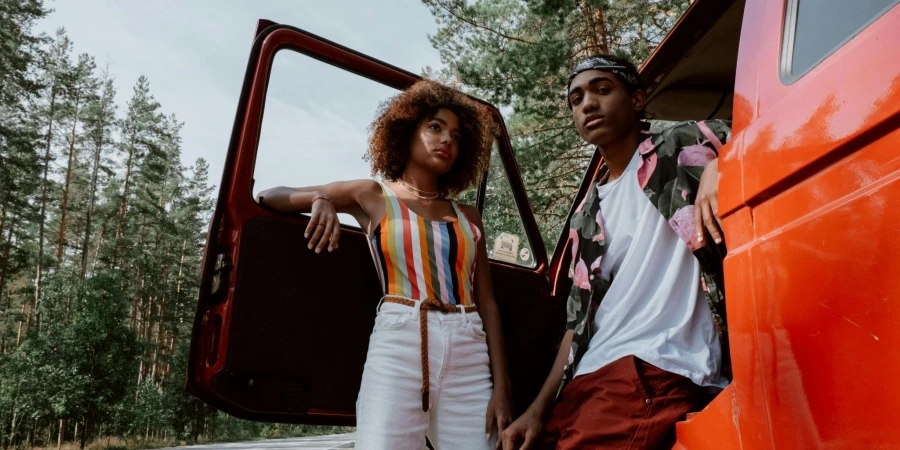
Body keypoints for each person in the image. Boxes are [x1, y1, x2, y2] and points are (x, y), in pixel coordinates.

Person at [256, 80, 511, 450]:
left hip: (469, 351)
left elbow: (488, 303)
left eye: (456, 135)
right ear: (406, 131)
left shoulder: (468, 216)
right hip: (400, 341)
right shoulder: (373, 195)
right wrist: (321, 198)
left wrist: (502, 387)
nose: (447, 141)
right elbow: (269, 196)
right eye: (435, 127)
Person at [500, 55, 732, 450]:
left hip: (654, 365)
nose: (587, 103)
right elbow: (576, 326)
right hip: (587, 379)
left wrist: (722, 164)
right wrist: (537, 410)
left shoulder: (681, 143)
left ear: (637, 99)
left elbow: (769, 124)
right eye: (576, 99)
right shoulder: (585, 215)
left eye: (602, 89)